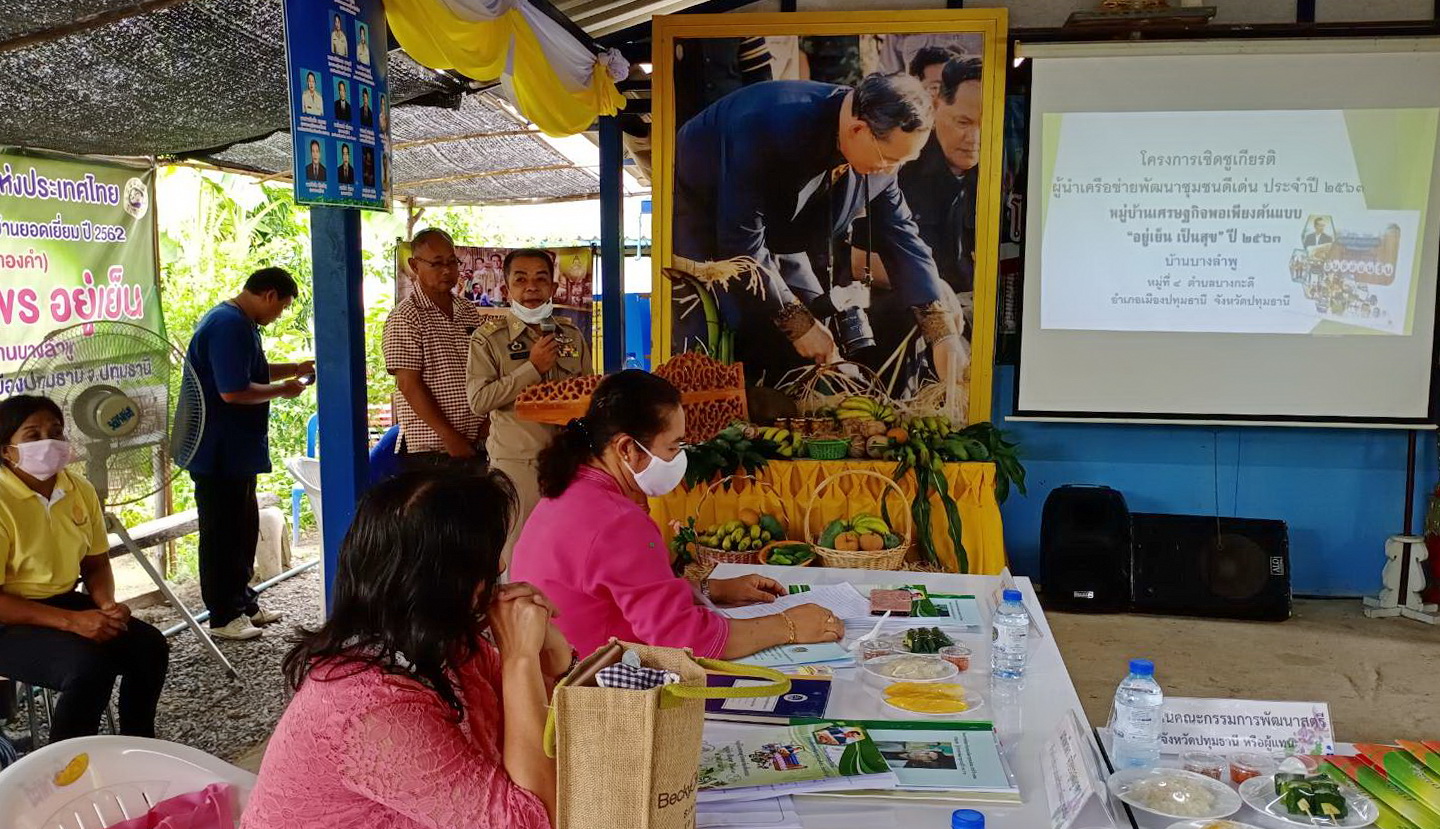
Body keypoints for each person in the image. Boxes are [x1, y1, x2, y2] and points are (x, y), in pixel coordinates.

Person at [241, 470, 565, 829]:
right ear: (444, 584)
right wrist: (520, 661)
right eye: (487, 556)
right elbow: (534, 820)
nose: (501, 567)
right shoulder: (369, 711)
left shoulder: (436, 643)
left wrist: (549, 662)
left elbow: (541, 736)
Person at [509, 370, 843, 659]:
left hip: (563, 671)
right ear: (627, 448)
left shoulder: (570, 491)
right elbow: (683, 637)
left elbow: (619, 590)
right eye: (672, 447)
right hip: (598, 687)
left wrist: (708, 590)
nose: (678, 459)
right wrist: (787, 625)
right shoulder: (616, 520)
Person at [672, 74, 962, 383]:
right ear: (857, 130)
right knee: (717, 336)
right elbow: (740, 242)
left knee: (817, 329)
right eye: (889, 160)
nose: (892, 171)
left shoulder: (879, 148)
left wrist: (941, 334)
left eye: (904, 162)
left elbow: (902, 236)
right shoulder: (767, 124)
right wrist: (798, 324)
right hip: (703, 216)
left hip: (782, 232)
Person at [0, 396, 169, 741]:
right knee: (89, 666)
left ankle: (138, 744)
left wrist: (106, 604)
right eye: (32, 435)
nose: (47, 442)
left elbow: (95, 562)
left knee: (150, 647)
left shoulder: (78, 489)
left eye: (55, 432)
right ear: (6, 450)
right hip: (7, 620)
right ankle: (65, 772)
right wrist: (74, 622)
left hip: (62, 600)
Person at [178, 267, 311, 640]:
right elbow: (233, 390)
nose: (279, 315)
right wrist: (283, 389)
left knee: (242, 527)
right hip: (217, 449)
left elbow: (252, 369)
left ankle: (242, 601)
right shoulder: (227, 324)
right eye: (281, 307)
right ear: (269, 295)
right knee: (221, 533)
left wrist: (293, 369)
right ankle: (222, 615)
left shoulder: (241, 322)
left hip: (236, 450)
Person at [467, 249, 591, 560]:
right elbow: (479, 401)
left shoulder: (572, 336)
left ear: (553, 288)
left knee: (568, 554)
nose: (531, 287)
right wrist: (531, 368)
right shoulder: (488, 339)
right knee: (518, 556)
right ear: (507, 289)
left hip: (568, 466)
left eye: (540, 279)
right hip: (517, 468)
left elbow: (589, 396)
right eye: (521, 280)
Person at [383, 228, 488, 472]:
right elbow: (409, 384)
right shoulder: (406, 316)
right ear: (414, 265)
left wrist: (488, 420)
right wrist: (449, 436)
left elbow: (487, 369)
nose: (447, 270)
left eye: (452, 262)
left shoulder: (468, 310)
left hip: (477, 441)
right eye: (437, 263)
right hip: (432, 449)